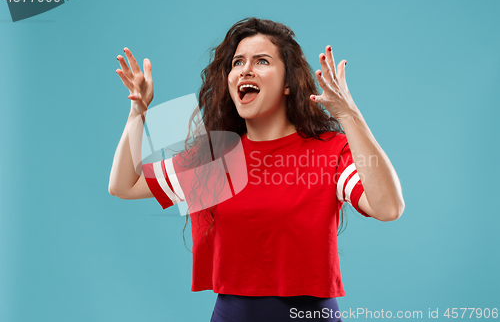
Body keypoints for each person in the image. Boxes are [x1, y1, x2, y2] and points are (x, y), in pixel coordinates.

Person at [109, 17, 404, 322]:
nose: (245, 69)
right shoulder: (216, 159)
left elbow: (388, 207)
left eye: (261, 60)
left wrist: (348, 113)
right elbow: (123, 185)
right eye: (237, 63)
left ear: (289, 83)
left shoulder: (328, 151)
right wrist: (137, 112)